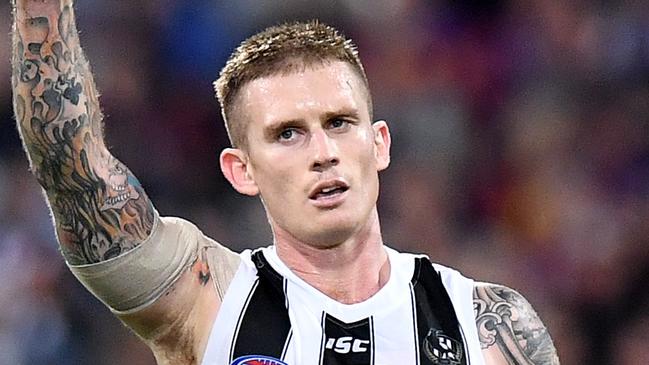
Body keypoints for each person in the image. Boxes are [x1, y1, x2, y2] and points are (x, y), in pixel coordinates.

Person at [11, 1, 560, 364]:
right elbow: (70, 167)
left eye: (340, 123)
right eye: (287, 134)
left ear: (380, 143)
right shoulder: (208, 298)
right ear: (241, 170)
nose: (323, 153)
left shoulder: (488, 325)